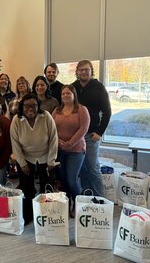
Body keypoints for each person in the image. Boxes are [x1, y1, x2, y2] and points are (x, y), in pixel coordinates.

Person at [10, 93, 58, 224]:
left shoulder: (46, 116)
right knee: (27, 189)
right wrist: (22, 164)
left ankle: (47, 215)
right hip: (26, 158)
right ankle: (28, 215)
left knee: (47, 188)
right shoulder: (16, 120)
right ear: (22, 107)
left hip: (45, 156)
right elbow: (15, 144)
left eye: (34, 105)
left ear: (38, 106)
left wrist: (51, 161)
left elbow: (54, 139)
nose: (30, 108)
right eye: (26, 106)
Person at [72, 60, 112, 197]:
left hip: (91, 135)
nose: (84, 72)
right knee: (82, 168)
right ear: (76, 71)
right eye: (81, 69)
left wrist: (100, 132)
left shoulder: (99, 87)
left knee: (93, 168)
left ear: (91, 71)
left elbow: (107, 112)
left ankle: (100, 200)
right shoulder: (73, 87)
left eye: (86, 70)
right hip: (76, 136)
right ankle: (87, 197)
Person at [52, 85, 90, 217]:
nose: (65, 96)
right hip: (59, 149)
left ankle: (78, 202)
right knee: (63, 180)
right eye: (63, 94)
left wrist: (70, 143)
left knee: (72, 179)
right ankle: (66, 204)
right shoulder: (57, 110)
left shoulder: (81, 109)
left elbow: (83, 128)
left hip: (77, 150)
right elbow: (52, 128)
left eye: (68, 93)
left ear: (74, 95)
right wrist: (60, 143)